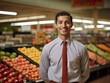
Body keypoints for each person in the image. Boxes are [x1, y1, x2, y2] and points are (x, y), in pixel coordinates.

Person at [40, 11, 90, 83]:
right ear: (56, 25)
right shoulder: (47, 48)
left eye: (67, 22)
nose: (63, 25)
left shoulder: (81, 48)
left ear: (71, 25)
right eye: (60, 22)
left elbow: (85, 72)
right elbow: (43, 73)